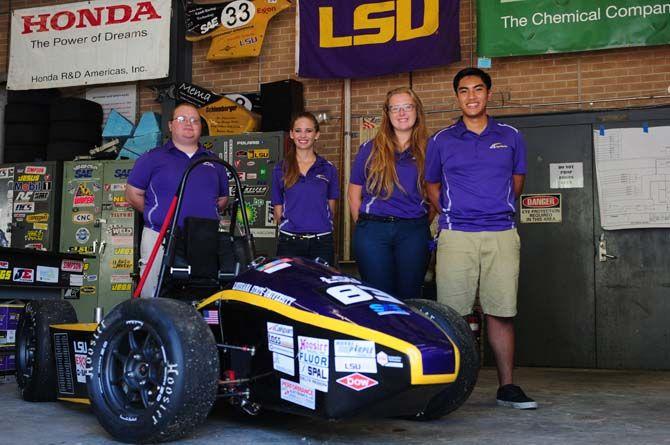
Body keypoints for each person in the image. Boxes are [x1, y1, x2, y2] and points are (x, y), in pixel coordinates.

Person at [425, 67, 536, 409]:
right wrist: (454, 212)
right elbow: (432, 185)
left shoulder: (511, 136)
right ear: (456, 97)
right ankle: (449, 389)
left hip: (501, 234)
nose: (471, 96)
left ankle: (507, 387)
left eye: (477, 89)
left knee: (501, 313)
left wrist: (492, 208)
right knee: (452, 316)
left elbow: (517, 182)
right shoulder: (441, 140)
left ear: (488, 94)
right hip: (457, 235)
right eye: (463, 91)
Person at [126, 102, 229, 298]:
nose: (188, 124)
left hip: (202, 239)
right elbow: (133, 195)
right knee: (154, 296)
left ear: (200, 127)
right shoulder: (151, 159)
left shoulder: (214, 162)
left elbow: (222, 200)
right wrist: (158, 215)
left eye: (194, 120)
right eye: (182, 119)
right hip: (160, 236)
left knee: (201, 295)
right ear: (171, 125)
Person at [348, 87, 430, 300]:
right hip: (373, 232)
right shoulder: (369, 149)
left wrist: (418, 223)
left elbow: (436, 194)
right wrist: (366, 226)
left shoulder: (431, 149)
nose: (401, 113)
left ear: (417, 110)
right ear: (388, 114)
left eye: (407, 107)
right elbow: (354, 192)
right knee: (379, 299)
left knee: (410, 298)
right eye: (395, 108)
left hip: (413, 231)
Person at [271, 112, 339, 265]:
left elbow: (331, 208)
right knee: (289, 286)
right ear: (291, 134)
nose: (303, 135)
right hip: (289, 242)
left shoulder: (328, 168)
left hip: (322, 242)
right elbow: (278, 210)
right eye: (298, 130)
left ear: (317, 135)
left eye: (308, 131)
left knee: (321, 287)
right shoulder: (280, 168)